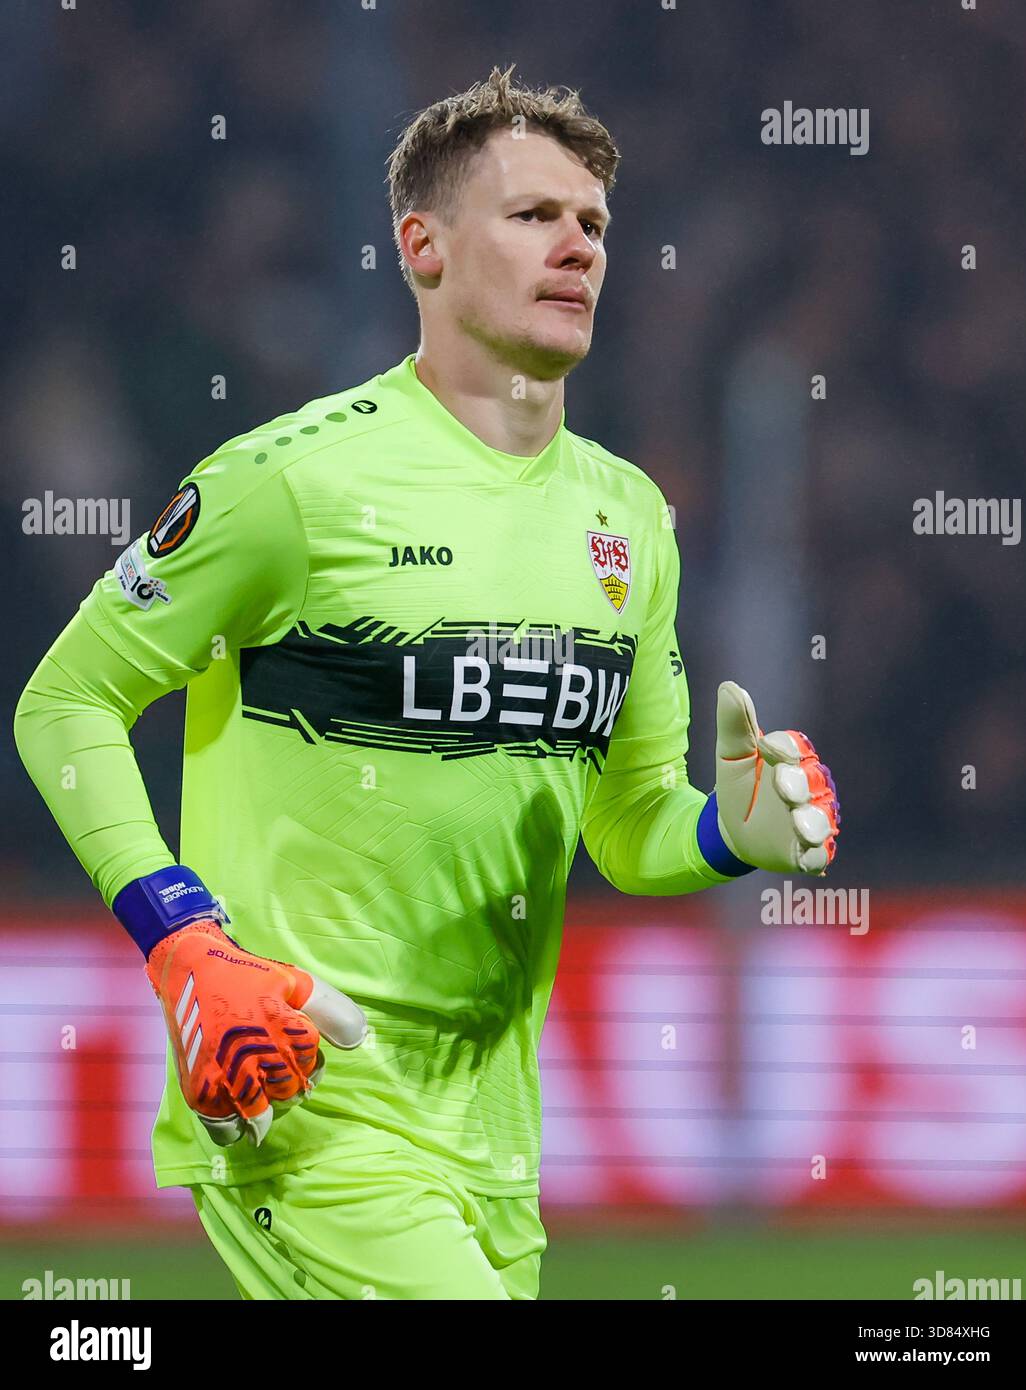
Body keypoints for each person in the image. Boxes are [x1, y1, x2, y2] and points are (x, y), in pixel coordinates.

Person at [13, 65, 838, 1300]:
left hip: (496, 1144)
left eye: (595, 225)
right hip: (307, 1099)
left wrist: (729, 831)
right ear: (424, 247)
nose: (577, 244)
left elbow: (624, 828)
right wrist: (181, 939)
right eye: (532, 215)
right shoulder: (291, 483)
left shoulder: (629, 518)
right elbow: (63, 701)